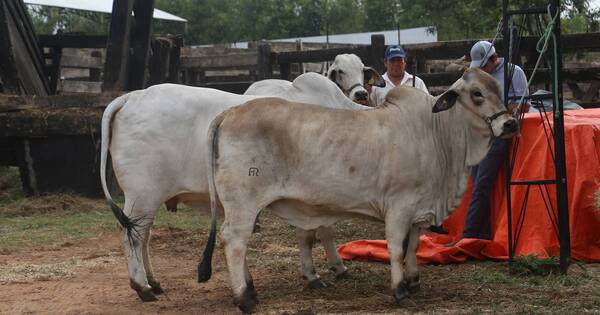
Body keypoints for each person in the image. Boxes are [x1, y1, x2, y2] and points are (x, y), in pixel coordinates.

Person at [462, 40, 529, 240]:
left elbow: (523, 106)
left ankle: (469, 235)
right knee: (477, 182)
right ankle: (482, 235)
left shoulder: (513, 72)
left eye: (484, 65)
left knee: (482, 183)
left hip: (501, 133)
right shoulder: (478, 76)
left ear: (493, 58)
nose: (482, 69)